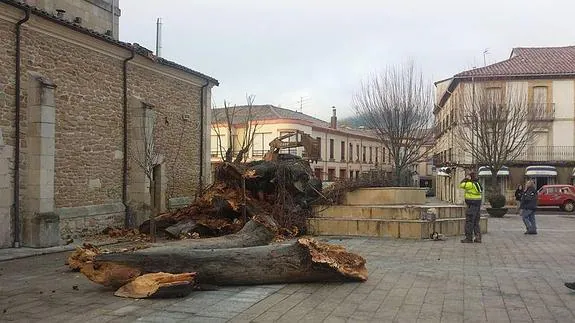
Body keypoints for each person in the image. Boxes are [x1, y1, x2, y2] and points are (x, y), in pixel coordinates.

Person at [459, 172, 483, 243]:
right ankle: (478, 237)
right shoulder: (478, 183)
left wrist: (466, 178)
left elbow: (461, 184)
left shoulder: (470, 184)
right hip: (478, 204)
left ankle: (468, 238)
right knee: (476, 222)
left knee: (469, 221)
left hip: (471, 205)